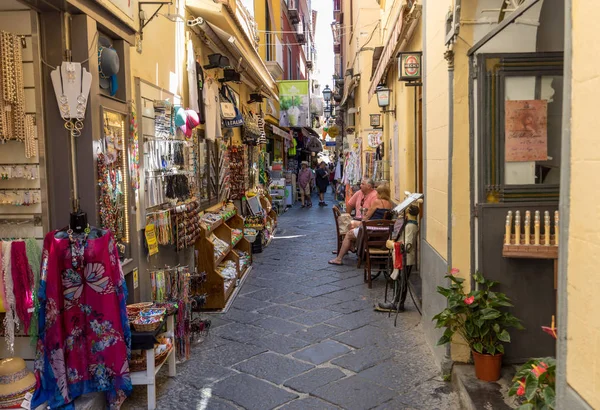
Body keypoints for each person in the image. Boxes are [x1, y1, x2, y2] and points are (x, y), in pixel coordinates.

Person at [329, 184, 393, 265]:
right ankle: (351, 246)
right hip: (382, 231)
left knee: (349, 234)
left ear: (380, 193)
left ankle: (339, 258)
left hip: (371, 231)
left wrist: (362, 222)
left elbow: (367, 217)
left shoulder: (377, 201)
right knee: (353, 227)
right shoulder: (389, 203)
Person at [377, 204, 420, 312]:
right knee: (398, 280)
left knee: (401, 282)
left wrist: (392, 244)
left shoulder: (411, 226)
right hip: (400, 257)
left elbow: (407, 246)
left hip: (405, 258)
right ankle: (395, 302)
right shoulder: (407, 224)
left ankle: (398, 303)